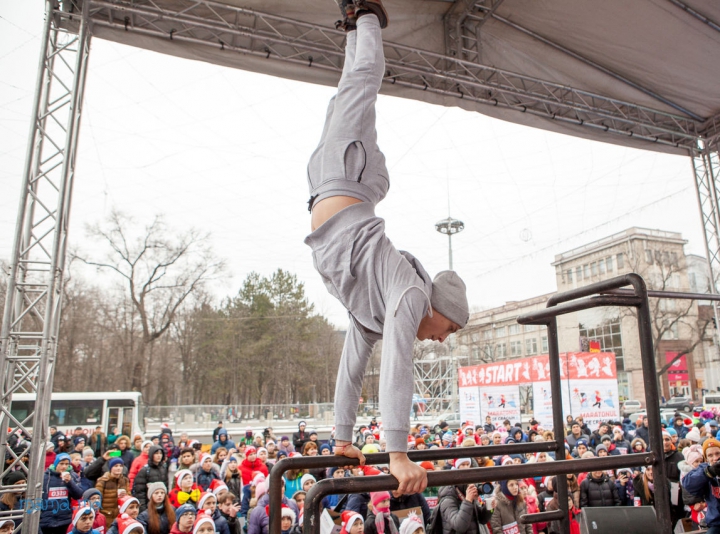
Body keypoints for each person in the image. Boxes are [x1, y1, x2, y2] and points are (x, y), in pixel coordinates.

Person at [304, 0, 467, 495]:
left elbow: (351, 370)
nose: (440, 339)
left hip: (337, 200)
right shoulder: (409, 293)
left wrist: (342, 438)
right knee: (363, 79)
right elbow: (397, 366)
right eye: (449, 328)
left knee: (347, 90)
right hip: (342, 183)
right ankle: (367, 13)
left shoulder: (375, 307)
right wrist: (397, 452)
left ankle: (356, 24)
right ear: (437, 307)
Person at [683, 437, 720, 533]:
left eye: (717, 453)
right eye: (710, 455)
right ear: (706, 458)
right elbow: (688, 484)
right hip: (717, 523)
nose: (715, 458)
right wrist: (709, 473)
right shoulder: (704, 468)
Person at [41, 453, 85, 534]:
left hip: (64, 520)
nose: (64, 466)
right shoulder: (45, 477)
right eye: (61, 464)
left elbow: (78, 495)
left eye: (67, 464)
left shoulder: (73, 476)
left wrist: (69, 482)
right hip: (47, 520)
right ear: (56, 464)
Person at [134, 446, 169, 512]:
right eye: (156, 453)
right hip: (149, 506)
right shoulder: (145, 470)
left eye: (160, 453)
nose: (159, 456)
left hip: (162, 505)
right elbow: (140, 492)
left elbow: (166, 488)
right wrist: (143, 508)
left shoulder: (163, 469)